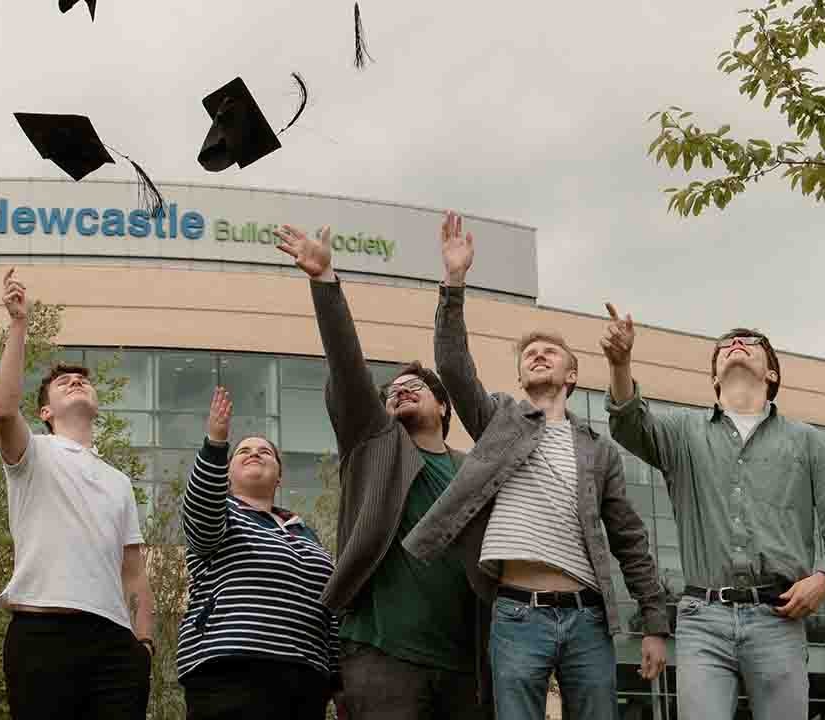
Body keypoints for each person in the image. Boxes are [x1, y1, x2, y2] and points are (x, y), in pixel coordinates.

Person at [398, 211, 668, 720]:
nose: (538, 356)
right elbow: (453, 366)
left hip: (588, 618)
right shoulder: (499, 420)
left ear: (572, 374)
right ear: (521, 377)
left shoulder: (598, 451)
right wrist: (453, 283)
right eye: (530, 355)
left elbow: (630, 540)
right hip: (517, 613)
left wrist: (654, 624)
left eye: (550, 352)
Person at [600, 304, 825, 719]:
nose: (736, 344)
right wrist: (620, 364)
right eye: (725, 345)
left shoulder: (806, 441)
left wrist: (824, 578)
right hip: (702, 620)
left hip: (778, 617)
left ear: (772, 373)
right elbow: (630, 424)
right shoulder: (682, 433)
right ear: (714, 377)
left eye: (750, 342)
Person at [273, 224, 490, 720]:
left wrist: (455, 281)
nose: (401, 390)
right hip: (382, 657)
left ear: (444, 406)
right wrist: (325, 282)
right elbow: (347, 365)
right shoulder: (373, 443)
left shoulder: (473, 470)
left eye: (416, 386)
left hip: (466, 669)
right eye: (393, 389)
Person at [0, 268, 155, 720]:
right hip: (42, 633)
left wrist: (144, 643)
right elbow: (3, 410)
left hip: (116, 645)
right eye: (64, 383)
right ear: (45, 411)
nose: (77, 382)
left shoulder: (118, 481)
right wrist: (19, 324)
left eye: (83, 380)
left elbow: (134, 572)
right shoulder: (32, 454)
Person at [177, 387, 342, 720]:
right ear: (226, 473)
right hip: (231, 670)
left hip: (306, 679)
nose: (254, 453)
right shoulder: (221, 515)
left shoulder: (307, 534)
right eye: (244, 451)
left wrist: (338, 680)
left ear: (279, 476)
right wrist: (216, 444)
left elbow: (332, 609)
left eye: (265, 451)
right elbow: (201, 506)